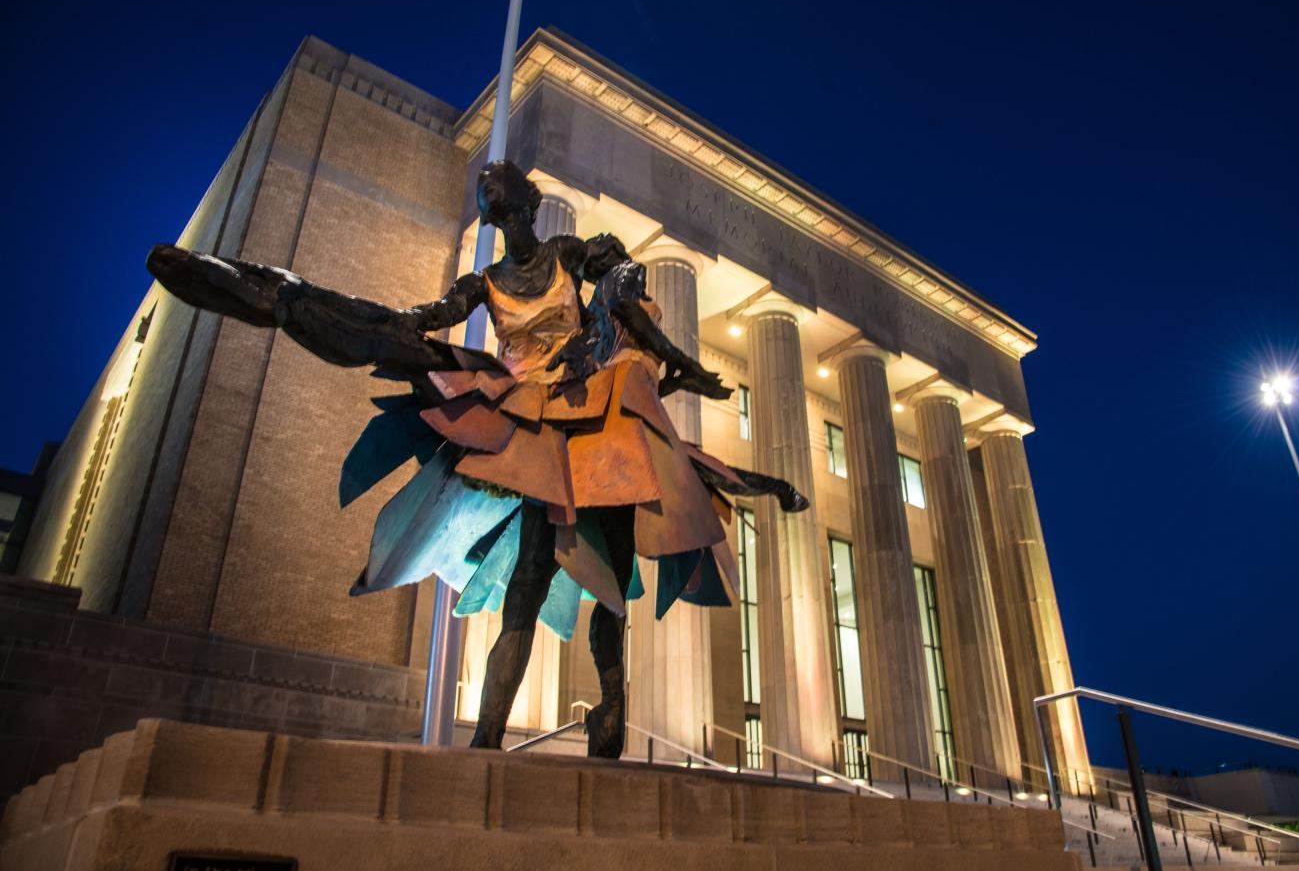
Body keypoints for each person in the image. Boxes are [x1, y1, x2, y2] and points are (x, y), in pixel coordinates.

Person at [147, 160, 807, 757]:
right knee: (527, 583)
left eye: (505, 193)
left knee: (613, 595)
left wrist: (684, 365)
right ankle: (489, 736)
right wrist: (331, 310)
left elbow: (626, 299)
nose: (496, 200)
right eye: (490, 198)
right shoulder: (485, 282)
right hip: (533, 426)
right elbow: (417, 318)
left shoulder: (565, 253)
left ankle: (609, 715)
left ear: (526, 201)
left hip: (594, 422)